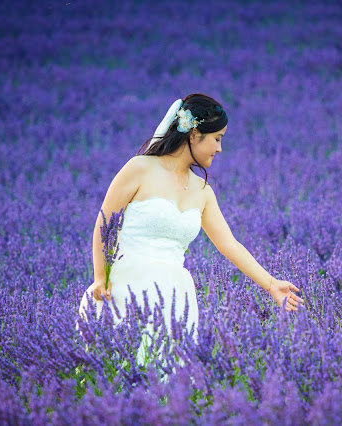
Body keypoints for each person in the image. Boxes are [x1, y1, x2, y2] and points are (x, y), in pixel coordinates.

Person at [78, 93, 304, 366]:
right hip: (125, 290)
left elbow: (229, 245)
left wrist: (270, 284)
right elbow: (104, 225)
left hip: (175, 298)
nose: (219, 149)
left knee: (167, 388)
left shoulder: (202, 191)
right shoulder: (140, 169)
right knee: (116, 378)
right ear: (194, 134)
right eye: (217, 138)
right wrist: (100, 276)